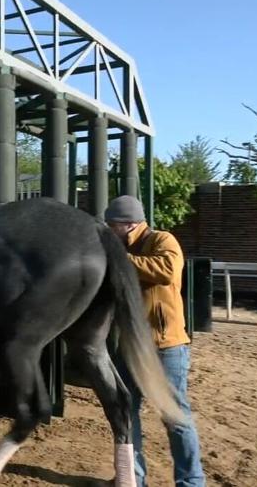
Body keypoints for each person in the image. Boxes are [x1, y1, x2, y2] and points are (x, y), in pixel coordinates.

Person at [105, 195, 206, 487]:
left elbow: (166, 271)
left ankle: (191, 482)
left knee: (176, 418)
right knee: (126, 414)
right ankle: (133, 478)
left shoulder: (163, 240)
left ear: (130, 224)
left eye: (113, 225)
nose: (110, 230)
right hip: (130, 346)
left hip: (166, 348)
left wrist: (119, 259)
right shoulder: (121, 247)